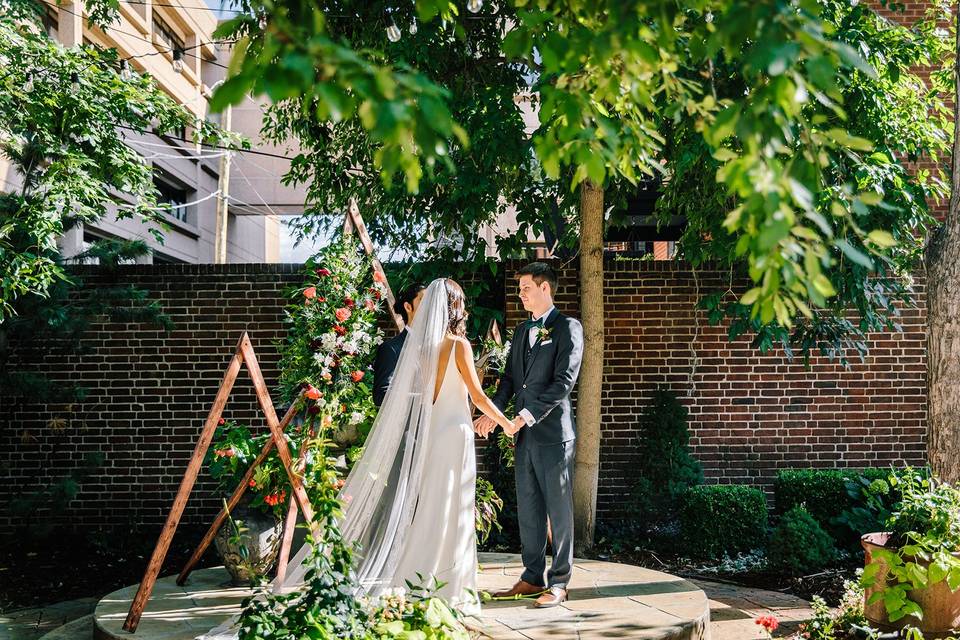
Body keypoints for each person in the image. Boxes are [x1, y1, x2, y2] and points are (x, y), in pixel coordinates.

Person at [279, 278, 515, 615]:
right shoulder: (458, 345)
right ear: (454, 307)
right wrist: (506, 423)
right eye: (460, 302)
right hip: (455, 433)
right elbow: (476, 396)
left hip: (432, 433)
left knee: (433, 504)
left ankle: (417, 577)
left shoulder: (420, 349)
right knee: (453, 507)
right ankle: (452, 585)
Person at [474, 262, 584, 608]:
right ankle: (532, 577)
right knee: (530, 508)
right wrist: (493, 414)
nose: (520, 293)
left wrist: (523, 416)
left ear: (544, 289)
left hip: (553, 434)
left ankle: (560, 581)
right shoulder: (522, 331)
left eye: (525, 288)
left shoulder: (568, 327)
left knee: (558, 510)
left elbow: (564, 382)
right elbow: (509, 380)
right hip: (523, 437)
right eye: (520, 288)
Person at [373, 283, 426, 407]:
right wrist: (424, 398)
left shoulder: (437, 346)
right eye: (423, 301)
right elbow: (381, 394)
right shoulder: (391, 348)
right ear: (408, 307)